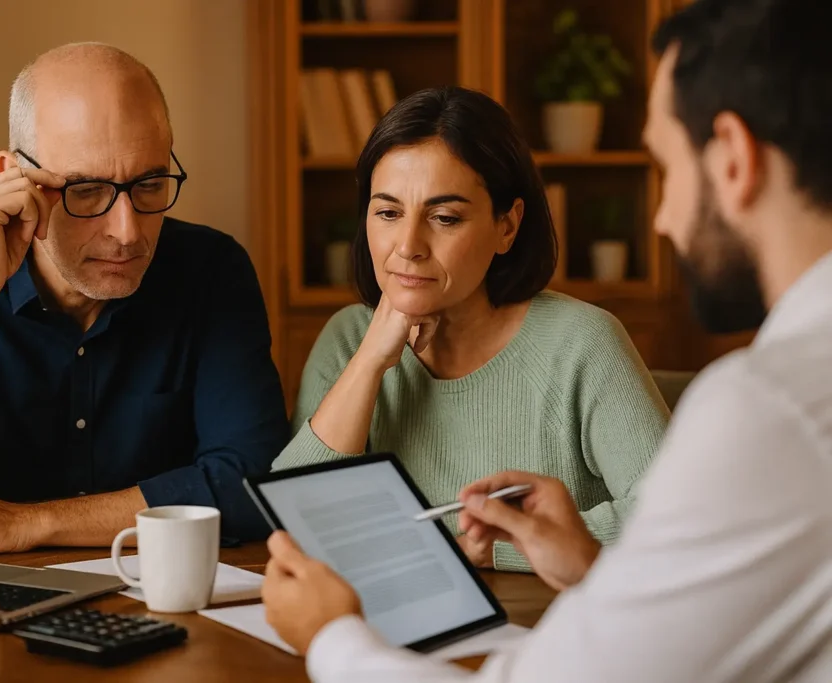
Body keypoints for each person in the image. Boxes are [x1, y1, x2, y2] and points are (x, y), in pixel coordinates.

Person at [261, 0, 832, 679]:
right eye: (386, 212)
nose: (662, 217)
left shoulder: (765, 406)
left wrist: (331, 636)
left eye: (667, 168)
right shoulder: (789, 391)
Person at [0, 43, 288, 552]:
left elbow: (249, 483)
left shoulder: (212, 271)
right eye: (85, 191)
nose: (127, 232)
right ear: (13, 176)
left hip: (154, 600)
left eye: (149, 184)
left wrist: (27, 523)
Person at [271, 86, 669, 572]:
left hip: (552, 630)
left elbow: (674, 518)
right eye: (388, 212)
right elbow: (295, 520)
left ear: (507, 226)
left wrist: (492, 547)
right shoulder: (348, 340)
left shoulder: (582, 342)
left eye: (444, 217)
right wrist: (371, 360)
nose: (408, 245)